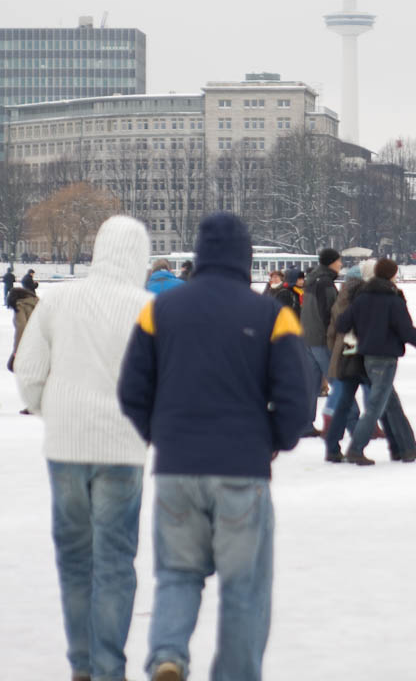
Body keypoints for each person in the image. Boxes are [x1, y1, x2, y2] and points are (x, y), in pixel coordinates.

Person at [118, 213, 310, 681]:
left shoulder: (158, 310)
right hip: (242, 468)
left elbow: (131, 390)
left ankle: (167, 654)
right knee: (245, 587)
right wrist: (273, 440)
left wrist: (162, 435)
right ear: (246, 257)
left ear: (199, 254)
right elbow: (297, 398)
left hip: (176, 468)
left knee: (178, 576)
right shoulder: (272, 314)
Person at [14, 216, 152, 681]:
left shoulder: (61, 301)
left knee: (75, 560)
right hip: (123, 445)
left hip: (66, 445)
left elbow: (29, 371)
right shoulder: (148, 308)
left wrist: (49, 409)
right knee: (115, 561)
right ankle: (109, 667)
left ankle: (81, 665)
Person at [337, 258, 416, 465]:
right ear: (392, 275)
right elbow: (407, 331)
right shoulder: (393, 299)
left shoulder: (362, 297)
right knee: (375, 407)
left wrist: (363, 331)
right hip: (385, 359)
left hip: (367, 357)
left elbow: (342, 323)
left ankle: (408, 448)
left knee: (392, 405)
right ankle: (355, 449)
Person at [300, 249, 342, 437]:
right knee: (339, 383)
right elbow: (330, 313)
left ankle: (304, 424)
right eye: (339, 261)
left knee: (312, 384)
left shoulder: (310, 280)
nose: (341, 264)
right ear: (331, 262)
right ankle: (351, 422)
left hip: (307, 337)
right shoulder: (325, 283)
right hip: (321, 339)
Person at [6, 284, 39, 373]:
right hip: (44, 341)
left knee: (11, 366)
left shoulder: (20, 306)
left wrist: (17, 351)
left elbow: (21, 329)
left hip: (31, 343)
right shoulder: (37, 302)